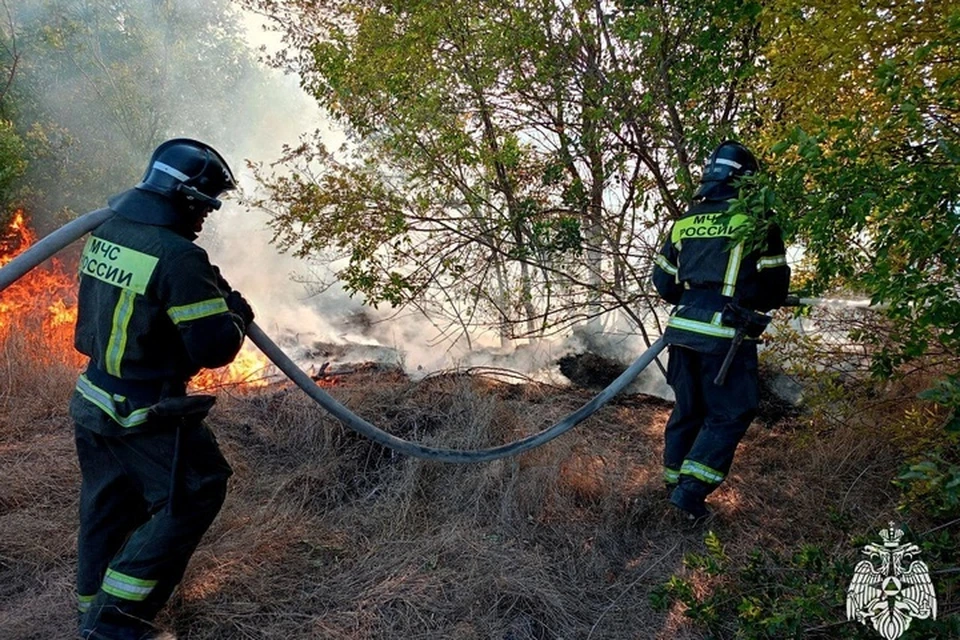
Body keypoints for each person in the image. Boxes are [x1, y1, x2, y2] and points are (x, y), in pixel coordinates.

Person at [71, 138, 256, 639]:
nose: (203, 219)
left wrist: (205, 288)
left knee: (109, 508)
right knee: (194, 492)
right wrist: (237, 312)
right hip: (144, 412)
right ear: (184, 198)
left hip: (92, 400)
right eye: (202, 206)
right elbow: (214, 349)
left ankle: (91, 609)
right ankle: (113, 626)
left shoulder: (108, 231)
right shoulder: (178, 258)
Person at [651, 140, 790, 522]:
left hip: (680, 333)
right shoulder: (758, 223)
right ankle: (690, 493)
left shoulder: (685, 222)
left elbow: (663, 284)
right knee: (730, 412)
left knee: (688, 408)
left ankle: (674, 483)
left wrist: (698, 292)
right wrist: (744, 295)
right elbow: (775, 290)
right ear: (746, 182)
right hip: (724, 339)